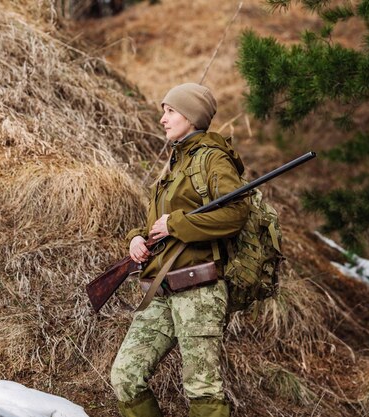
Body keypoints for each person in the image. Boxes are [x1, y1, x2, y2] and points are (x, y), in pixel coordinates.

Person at [110, 83, 249, 417]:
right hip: (162, 290)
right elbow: (155, 225)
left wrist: (176, 225)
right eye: (164, 111)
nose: (163, 119)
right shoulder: (175, 163)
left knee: (202, 387)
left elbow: (235, 214)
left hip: (198, 289)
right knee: (125, 376)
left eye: (170, 111)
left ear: (191, 116)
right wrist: (136, 239)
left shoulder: (213, 159)